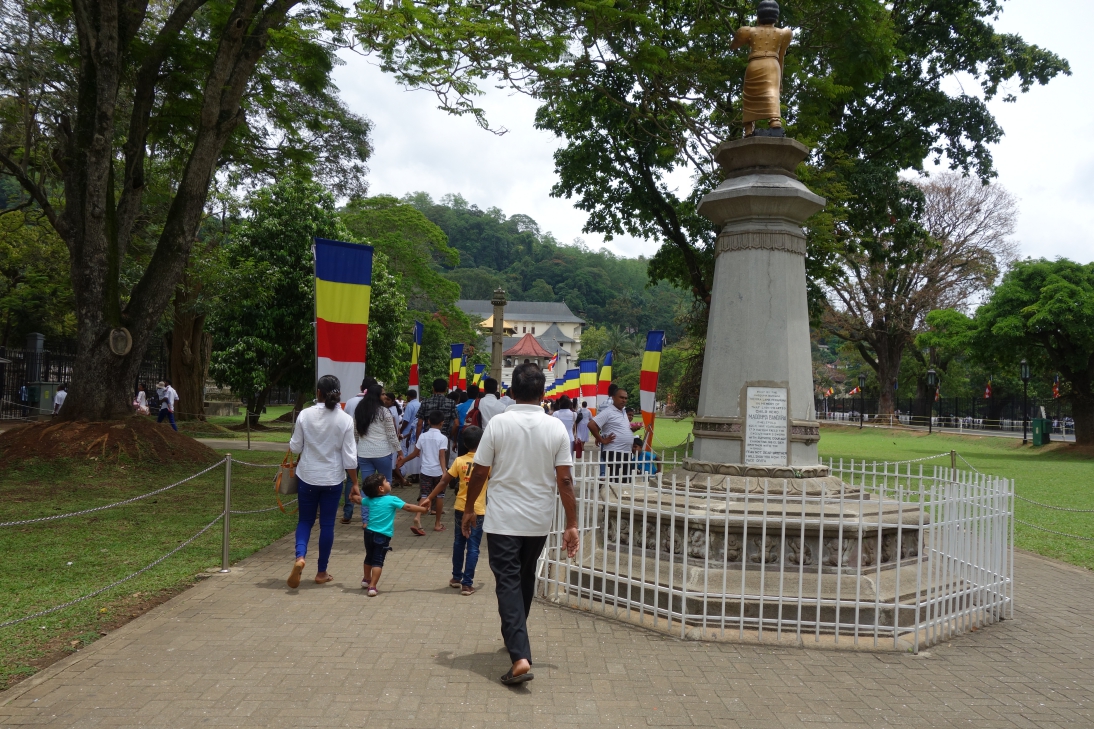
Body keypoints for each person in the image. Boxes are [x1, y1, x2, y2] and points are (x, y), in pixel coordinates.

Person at [461, 362, 579, 685]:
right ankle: (518, 639)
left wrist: (470, 507)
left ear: (511, 392)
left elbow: (480, 471)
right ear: (543, 393)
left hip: (502, 521)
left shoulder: (498, 424)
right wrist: (572, 523)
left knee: (509, 583)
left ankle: (519, 657)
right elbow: (565, 481)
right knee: (524, 577)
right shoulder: (556, 428)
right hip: (538, 521)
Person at [287, 375, 359, 589]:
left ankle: (300, 557)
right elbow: (350, 458)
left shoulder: (305, 415)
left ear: (318, 392)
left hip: (307, 476)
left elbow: (295, 448)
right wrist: (355, 483)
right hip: (332, 479)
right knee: (327, 524)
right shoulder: (345, 419)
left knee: (305, 521)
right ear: (338, 394)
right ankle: (321, 571)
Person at [420, 425, 489, 596]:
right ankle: (467, 584)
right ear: (482, 443)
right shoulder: (487, 463)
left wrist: (429, 497)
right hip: (477, 510)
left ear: (464, 443)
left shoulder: (459, 461)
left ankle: (456, 577)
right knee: (473, 547)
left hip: (460, 507)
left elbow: (443, 482)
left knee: (459, 542)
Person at [357, 472, 430, 595]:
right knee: (378, 561)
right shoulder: (392, 499)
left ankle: (366, 579)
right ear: (381, 488)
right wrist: (423, 510)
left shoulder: (370, 500)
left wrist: (353, 496)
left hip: (368, 533)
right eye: (386, 481)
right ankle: (372, 586)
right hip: (382, 535)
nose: (389, 483)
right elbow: (408, 507)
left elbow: (359, 500)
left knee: (369, 556)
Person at [347, 384, 401, 525]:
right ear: (377, 395)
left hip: (364, 453)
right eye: (383, 394)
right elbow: (391, 434)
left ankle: (366, 520)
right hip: (383, 453)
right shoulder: (384, 412)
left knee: (367, 487)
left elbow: (356, 433)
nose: (385, 396)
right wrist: (400, 451)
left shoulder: (359, 410)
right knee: (386, 486)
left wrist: (357, 448)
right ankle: (383, 519)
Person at [399, 409, 448, 535]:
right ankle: (437, 523)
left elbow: (415, 453)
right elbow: (441, 456)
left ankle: (418, 517)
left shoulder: (423, 436)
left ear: (428, 421)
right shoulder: (443, 438)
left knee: (424, 495)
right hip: (438, 471)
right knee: (440, 496)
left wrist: (403, 460)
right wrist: (444, 471)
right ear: (442, 423)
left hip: (425, 471)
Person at [589, 387, 633, 483]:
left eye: (625, 398)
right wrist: (602, 440)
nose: (624, 400)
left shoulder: (624, 412)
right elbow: (591, 425)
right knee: (615, 480)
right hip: (614, 451)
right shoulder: (608, 411)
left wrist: (630, 430)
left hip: (627, 451)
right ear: (613, 398)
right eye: (621, 397)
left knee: (627, 481)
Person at [415, 377, 459, 444]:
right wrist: (449, 436)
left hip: (427, 439)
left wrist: (417, 442)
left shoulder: (425, 402)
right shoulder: (451, 403)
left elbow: (419, 424)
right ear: (446, 389)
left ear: (433, 388)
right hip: (444, 438)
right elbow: (456, 424)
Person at [400, 391, 421, 482]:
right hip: (417, 432)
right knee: (417, 454)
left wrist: (400, 431)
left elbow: (406, 420)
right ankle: (416, 474)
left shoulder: (410, 405)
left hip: (408, 433)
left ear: (409, 396)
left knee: (406, 453)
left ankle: (405, 472)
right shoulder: (419, 404)